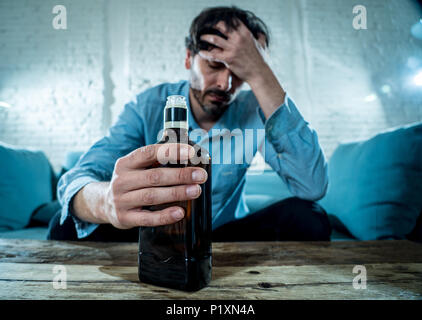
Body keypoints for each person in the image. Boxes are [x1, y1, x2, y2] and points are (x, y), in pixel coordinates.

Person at [48, 6, 331, 242]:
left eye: (241, 71)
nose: (225, 84)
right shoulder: (148, 106)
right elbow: (80, 177)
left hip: (223, 234)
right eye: (214, 65)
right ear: (188, 58)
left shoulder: (254, 111)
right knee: (64, 225)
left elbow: (311, 186)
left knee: (310, 218)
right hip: (156, 231)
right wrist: (107, 202)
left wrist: (260, 74)